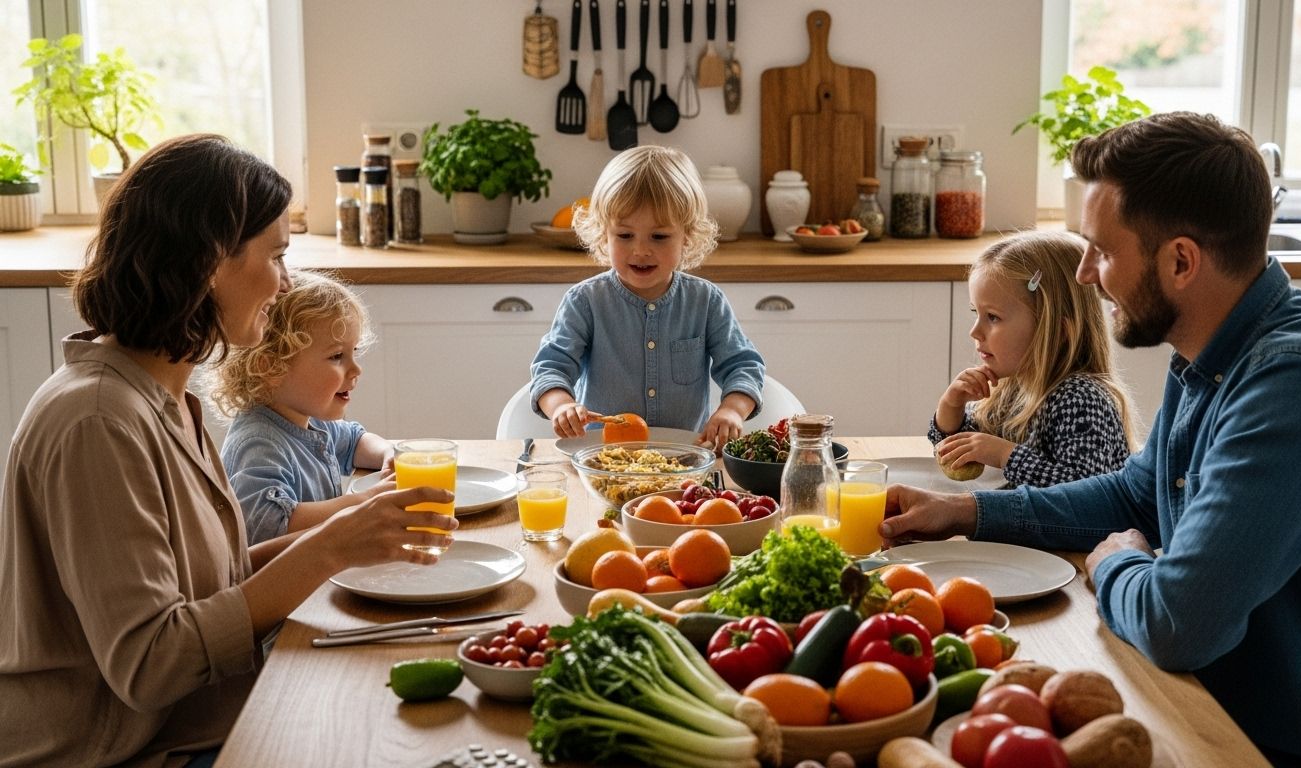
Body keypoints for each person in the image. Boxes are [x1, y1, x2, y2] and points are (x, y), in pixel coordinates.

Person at [882, 112, 1301, 767]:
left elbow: (1175, 624)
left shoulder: (1298, 384)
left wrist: (1113, 566)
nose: (1084, 275)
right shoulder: (1215, 354)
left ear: (1181, 261)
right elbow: (1137, 494)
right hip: (1218, 712)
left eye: (1101, 250)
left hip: (1298, 749)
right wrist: (967, 512)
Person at [0, 134, 455, 768]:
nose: (285, 280)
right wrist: (328, 547)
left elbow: (209, 582)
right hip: (120, 753)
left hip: (193, 724)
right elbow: (152, 665)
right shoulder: (98, 420)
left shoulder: (161, 397)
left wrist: (351, 538)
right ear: (212, 261)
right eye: (277, 255)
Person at [530, 145, 765, 448]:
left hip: (684, 462)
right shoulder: (585, 301)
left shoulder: (706, 301)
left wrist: (732, 410)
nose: (640, 250)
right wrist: (561, 406)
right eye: (625, 236)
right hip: (605, 460)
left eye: (659, 236)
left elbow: (743, 366)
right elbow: (551, 368)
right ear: (604, 234)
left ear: (688, 236)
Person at [929, 230, 1135, 487]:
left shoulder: (1082, 399)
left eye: (993, 317)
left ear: (1057, 331)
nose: (975, 331)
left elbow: (1083, 491)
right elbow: (960, 456)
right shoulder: (1010, 387)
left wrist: (1005, 454)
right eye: (976, 313)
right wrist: (951, 406)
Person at [209, 270, 396, 545]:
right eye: (336, 356)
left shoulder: (309, 420)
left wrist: (389, 454)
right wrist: (362, 502)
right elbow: (270, 524)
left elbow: (355, 441)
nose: (356, 369)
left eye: (353, 353)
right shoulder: (259, 443)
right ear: (272, 367)